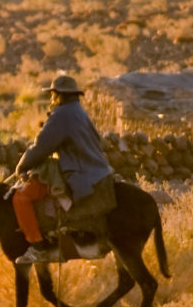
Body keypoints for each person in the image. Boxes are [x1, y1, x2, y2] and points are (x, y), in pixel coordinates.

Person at [9, 74, 116, 263]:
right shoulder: (79, 112)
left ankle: (38, 247)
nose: (51, 99)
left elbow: (41, 147)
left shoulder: (62, 115)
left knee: (21, 197)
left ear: (59, 95)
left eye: (53, 95)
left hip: (82, 175)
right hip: (98, 170)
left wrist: (22, 166)